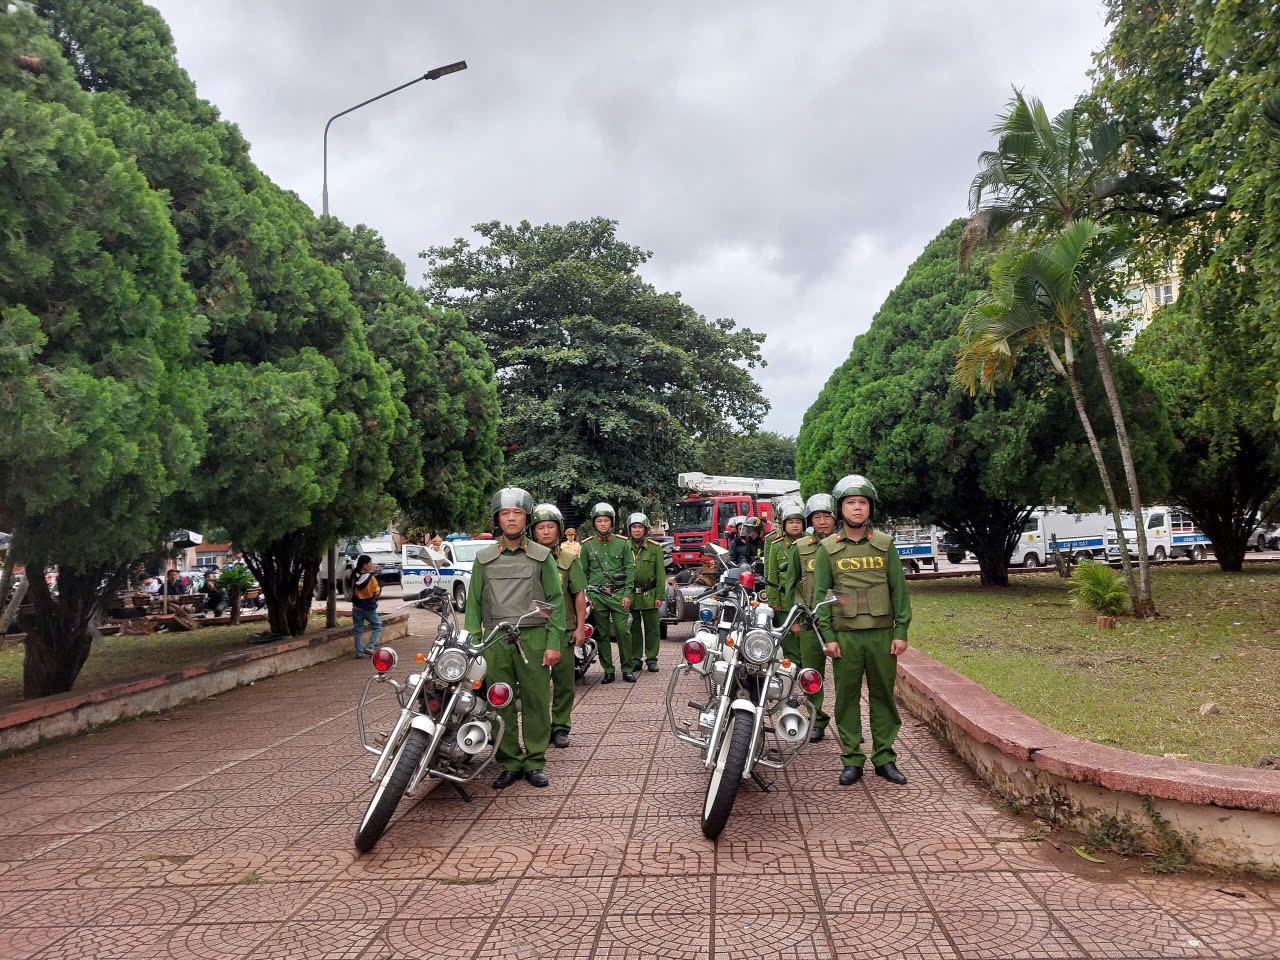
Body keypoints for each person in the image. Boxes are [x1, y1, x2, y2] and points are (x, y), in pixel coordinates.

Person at [813, 475, 912, 787]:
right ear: (841, 509)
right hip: (845, 637)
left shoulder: (884, 545)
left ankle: (884, 758)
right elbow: (823, 597)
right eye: (851, 503)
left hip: (881, 635)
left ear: (870, 508)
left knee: (883, 696)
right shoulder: (828, 549)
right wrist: (828, 636)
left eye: (862, 502)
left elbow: (899, 592)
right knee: (846, 699)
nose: (857, 508)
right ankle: (852, 759)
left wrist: (901, 631)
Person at [467, 488, 566, 788]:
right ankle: (509, 761)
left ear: (526, 518)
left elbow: (556, 601)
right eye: (505, 513)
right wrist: (475, 644)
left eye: (517, 513)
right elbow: (472, 604)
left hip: (533, 637)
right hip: (496, 639)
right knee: (500, 702)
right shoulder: (484, 559)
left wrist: (552, 643)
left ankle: (535, 760)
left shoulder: (541, 556)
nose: (511, 518)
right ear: (497, 518)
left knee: (536, 700)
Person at [781, 494, 838, 742]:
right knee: (811, 674)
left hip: (842, 621)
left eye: (827, 516)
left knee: (847, 675)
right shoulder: (800, 547)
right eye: (817, 517)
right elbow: (791, 584)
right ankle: (817, 719)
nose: (823, 521)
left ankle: (849, 724)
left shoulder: (845, 545)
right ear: (810, 520)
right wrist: (793, 619)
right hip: (809, 621)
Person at [530, 503, 587, 749]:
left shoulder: (568, 559)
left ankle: (561, 726)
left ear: (559, 530)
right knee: (537, 685)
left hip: (564, 629)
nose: (545, 532)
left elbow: (578, 595)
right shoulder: (526, 559)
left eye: (550, 527)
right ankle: (540, 729)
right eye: (540, 527)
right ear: (533, 531)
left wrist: (581, 627)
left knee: (565, 682)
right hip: (534, 631)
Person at [580, 502, 635, 683]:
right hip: (597, 596)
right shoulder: (587, 546)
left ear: (611, 522)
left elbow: (629, 569)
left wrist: (628, 593)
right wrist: (589, 597)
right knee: (602, 634)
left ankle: (627, 668)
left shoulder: (623, 543)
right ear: (594, 523)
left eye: (606, 521)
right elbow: (584, 574)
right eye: (599, 521)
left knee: (622, 631)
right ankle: (608, 670)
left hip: (619, 594)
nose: (603, 524)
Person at [627, 512, 666, 674]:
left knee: (652, 628)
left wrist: (659, 595)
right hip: (630, 594)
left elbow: (660, 573)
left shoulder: (654, 548)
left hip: (649, 593)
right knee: (633, 628)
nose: (637, 530)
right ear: (629, 530)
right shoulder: (624, 547)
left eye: (640, 527)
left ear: (645, 529)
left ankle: (651, 659)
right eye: (634, 527)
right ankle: (636, 659)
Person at [765, 498, 806, 627]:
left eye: (798, 522)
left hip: (807, 599)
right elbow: (771, 574)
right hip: (784, 600)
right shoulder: (777, 545)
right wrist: (773, 600)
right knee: (789, 640)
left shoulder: (809, 542)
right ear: (784, 525)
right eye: (791, 522)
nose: (795, 525)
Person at [351, 555, 382, 658]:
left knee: (358, 630)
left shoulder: (354, 575)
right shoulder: (371, 578)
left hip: (356, 607)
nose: (372, 565)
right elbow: (376, 592)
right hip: (369, 607)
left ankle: (359, 652)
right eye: (370, 563)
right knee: (377, 626)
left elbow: (352, 590)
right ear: (365, 565)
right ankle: (370, 646)